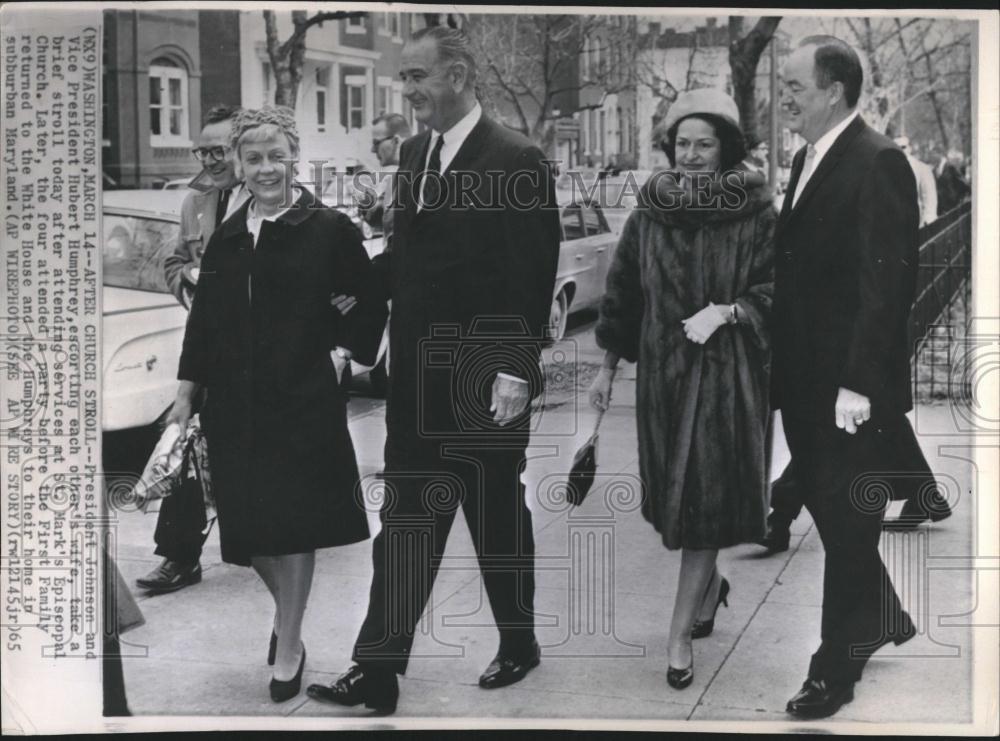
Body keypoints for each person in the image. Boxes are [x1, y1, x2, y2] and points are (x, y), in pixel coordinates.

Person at [306, 26, 560, 714]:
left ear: (458, 75)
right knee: (408, 523)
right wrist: (350, 286)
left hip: (484, 378)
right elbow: (408, 259)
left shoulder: (517, 159)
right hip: (418, 378)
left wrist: (516, 369)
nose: (408, 91)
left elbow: (531, 274)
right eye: (405, 79)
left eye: (418, 77)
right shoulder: (417, 154)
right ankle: (378, 669)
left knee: (495, 514)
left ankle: (519, 638)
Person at [168, 106, 387, 702]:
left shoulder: (329, 229)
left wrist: (344, 354)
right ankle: (285, 619)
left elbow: (370, 304)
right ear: (239, 165)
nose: (267, 168)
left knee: (296, 527)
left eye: (276, 156)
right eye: (254, 158)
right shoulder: (231, 233)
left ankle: (288, 643)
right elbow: (205, 321)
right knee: (247, 533)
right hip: (235, 408)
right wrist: (187, 391)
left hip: (302, 402)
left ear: (294, 157)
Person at [588, 88, 776, 690]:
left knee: (701, 505)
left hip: (729, 378)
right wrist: (607, 367)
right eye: (683, 144)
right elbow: (622, 295)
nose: (691, 155)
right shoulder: (651, 209)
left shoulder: (755, 210)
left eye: (705, 144)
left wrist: (730, 311)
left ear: (726, 149)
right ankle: (711, 586)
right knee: (682, 507)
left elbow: (780, 288)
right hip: (664, 383)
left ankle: (676, 638)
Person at [772, 36, 922, 718]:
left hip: (847, 392)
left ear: (832, 90)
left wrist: (859, 384)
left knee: (850, 525)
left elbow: (884, 286)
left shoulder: (878, 160)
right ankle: (883, 615)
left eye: (795, 87)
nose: (786, 99)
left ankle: (834, 668)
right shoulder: (807, 157)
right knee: (838, 519)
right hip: (803, 384)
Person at [137, 104, 250, 595]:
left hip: (267, 351)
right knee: (185, 442)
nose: (210, 159)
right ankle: (179, 556)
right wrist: (187, 278)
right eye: (202, 150)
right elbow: (173, 262)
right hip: (210, 348)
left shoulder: (271, 194)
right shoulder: (194, 200)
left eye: (219, 150)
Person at [358, 112, 411, 249]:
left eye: (376, 143)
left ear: (396, 141)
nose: (372, 149)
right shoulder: (395, 178)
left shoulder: (422, 176)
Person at [894, 136, 938, 227]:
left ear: (910, 148)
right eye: (895, 147)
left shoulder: (922, 168)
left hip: (917, 224)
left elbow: (930, 199)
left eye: (903, 147)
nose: (900, 150)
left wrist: (928, 221)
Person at [935, 148, 970, 215]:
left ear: (940, 154)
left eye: (934, 154)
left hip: (953, 205)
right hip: (942, 208)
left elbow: (963, 182)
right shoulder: (935, 169)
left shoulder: (950, 167)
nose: (932, 157)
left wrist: (963, 197)